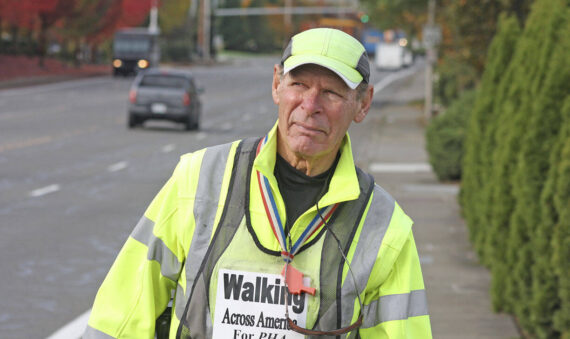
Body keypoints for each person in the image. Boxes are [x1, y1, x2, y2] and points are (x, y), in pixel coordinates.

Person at [84, 28, 432, 339]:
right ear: (277, 85)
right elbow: (123, 315)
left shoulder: (385, 227)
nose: (310, 106)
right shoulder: (198, 178)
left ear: (363, 103)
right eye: (298, 84)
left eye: (332, 93)